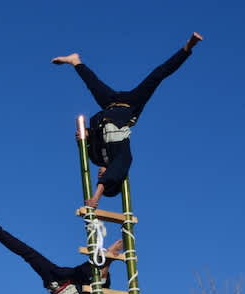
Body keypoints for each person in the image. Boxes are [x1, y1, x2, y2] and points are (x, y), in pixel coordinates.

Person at [52, 32, 203, 207]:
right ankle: (187, 48)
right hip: (131, 105)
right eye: (104, 177)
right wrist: (95, 198)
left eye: (99, 177)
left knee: (92, 83)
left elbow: (93, 135)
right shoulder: (122, 158)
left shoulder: (95, 157)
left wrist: (84, 135)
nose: (100, 175)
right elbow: (113, 174)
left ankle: (75, 60)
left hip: (109, 104)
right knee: (157, 76)